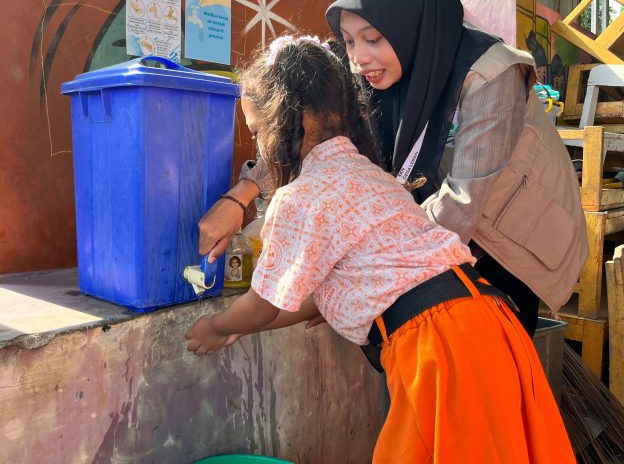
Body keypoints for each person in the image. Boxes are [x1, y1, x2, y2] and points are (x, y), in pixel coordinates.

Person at [186, 36, 574, 462]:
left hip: (440, 348)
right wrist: (251, 325)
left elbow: (263, 303)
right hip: (490, 320)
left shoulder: (300, 197)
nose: (259, 146)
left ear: (287, 119)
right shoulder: (370, 176)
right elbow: (306, 301)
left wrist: (219, 326)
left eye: (258, 131)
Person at [199, 0, 588, 337]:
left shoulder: (491, 76)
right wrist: (240, 196)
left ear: (411, 26)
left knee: (491, 362)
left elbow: (461, 207)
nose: (358, 58)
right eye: (349, 41)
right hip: (432, 251)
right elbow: (302, 121)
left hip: (507, 243)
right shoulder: (374, 68)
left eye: (373, 39)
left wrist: (361, 284)